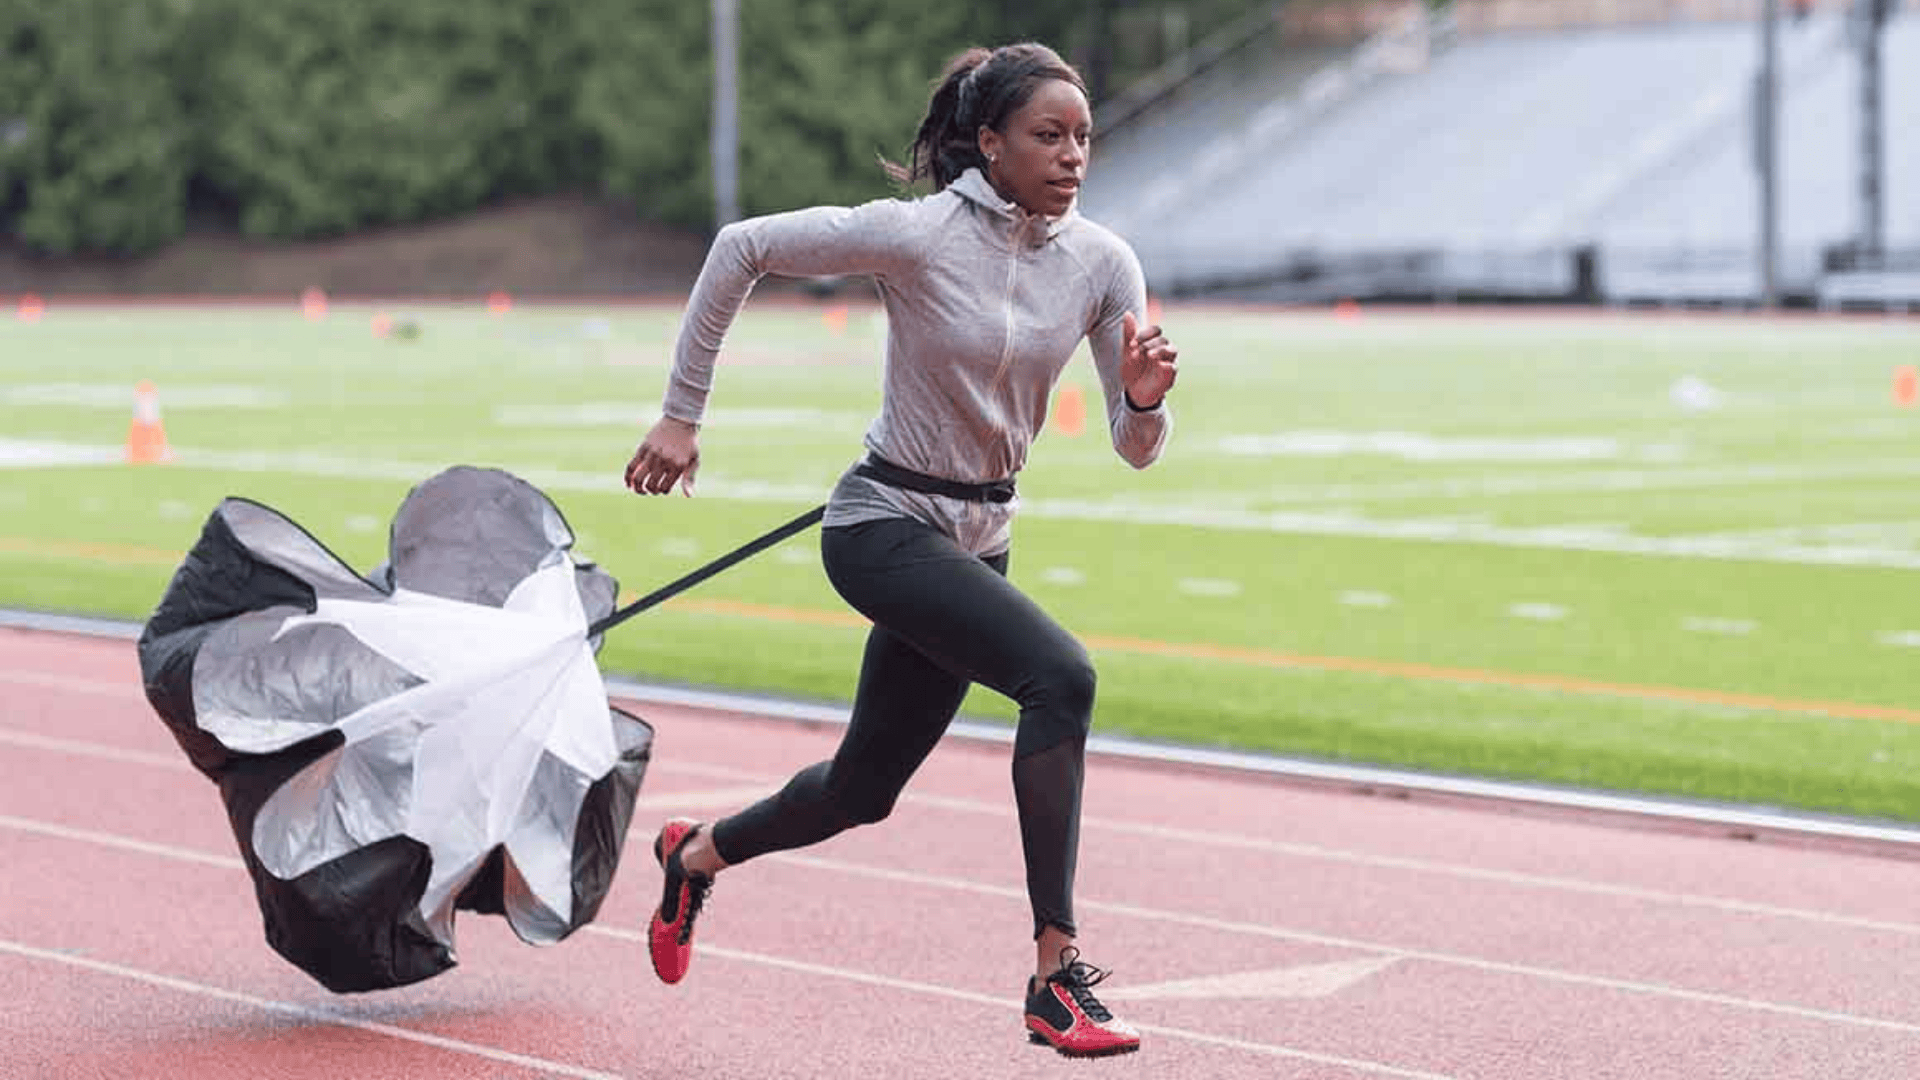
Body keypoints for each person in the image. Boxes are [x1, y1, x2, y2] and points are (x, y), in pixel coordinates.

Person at [621, 41, 1178, 1059]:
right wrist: (680, 416)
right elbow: (740, 245)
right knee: (1062, 677)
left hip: (981, 535)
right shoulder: (917, 236)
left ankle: (695, 854)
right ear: (989, 143)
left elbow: (1135, 450)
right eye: (1048, 136)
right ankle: (1056, 979)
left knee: (859, 793)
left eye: (1084, 138)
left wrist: (1143, 398)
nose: (1072, 156)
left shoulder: (1104, 263)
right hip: (881, 525)